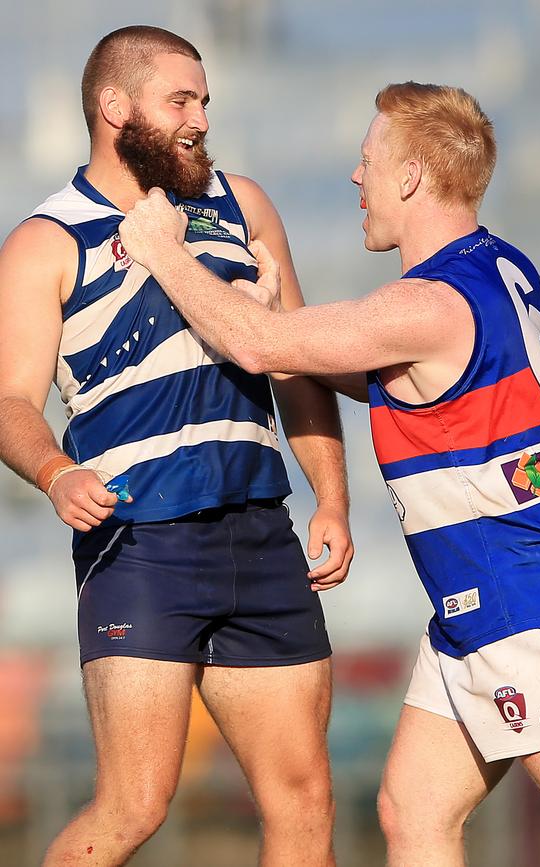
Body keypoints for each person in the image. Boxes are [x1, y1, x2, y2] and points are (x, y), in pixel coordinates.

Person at [119, 81, 540, 866]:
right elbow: (392, 373)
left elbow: (264, 350)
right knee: (411, 810)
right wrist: (276, 320)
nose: (356, 179)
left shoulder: (428, 303)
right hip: (478, 610)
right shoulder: (501, 268)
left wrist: (164, 249)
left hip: (530, 607)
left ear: (409, 178)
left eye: (368, 163)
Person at [0, 25, 354, 867]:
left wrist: (332, 497)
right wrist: (53, 472)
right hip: (140, 540)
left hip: (263, 535)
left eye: (205, 102)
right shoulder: (48, 238)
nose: (200, 119)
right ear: (114, 108)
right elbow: (12, 399)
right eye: (181, 100)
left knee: (303, 799)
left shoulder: (245, 203)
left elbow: (298, 363)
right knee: (135, 804)